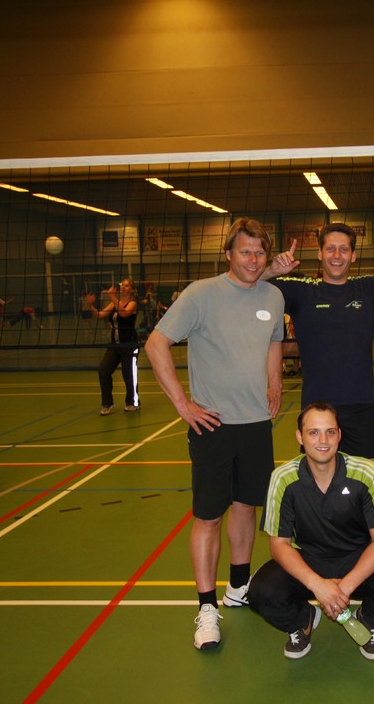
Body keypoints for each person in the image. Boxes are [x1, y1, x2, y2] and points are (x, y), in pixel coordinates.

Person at [144, 217, 285, 651]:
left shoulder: (273, 296)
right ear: (228, 254)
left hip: (256, 424)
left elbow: (274, 340)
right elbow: (155, 344)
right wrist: (183, 404)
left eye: (259, 253)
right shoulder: (200, 294)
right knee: (208, 517)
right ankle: (207, 608)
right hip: (213, 426)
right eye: (245, 252)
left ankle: (238, 587)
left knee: (245, 506)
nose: (253, 260)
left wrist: (275, 381)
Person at [249, 403, 374, 660]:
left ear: (339, 435)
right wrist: (318, 585)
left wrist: (344, 588)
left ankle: (368, 620)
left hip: (357, 557)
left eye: (330, 432)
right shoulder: (283, 478)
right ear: (300, 437)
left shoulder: (365, 472)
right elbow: (279, 545)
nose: (323, 440)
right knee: (260, 592)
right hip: (309, 559)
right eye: (313, 432)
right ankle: (303, 620)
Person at [261, 223, 374, 460]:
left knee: (367, 476)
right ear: (320, 253)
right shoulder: (302, 292)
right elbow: (250, 287)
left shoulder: (370, 289)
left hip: (361, 404)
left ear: (354, 255)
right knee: (318, 478)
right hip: (316, 408)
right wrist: (271, 271)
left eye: (344, 249)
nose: (337, 256)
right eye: (330, 249)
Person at [88, 279, 140, 415]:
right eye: (122, 285)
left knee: (128, 375)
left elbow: (124, 314)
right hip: (115, 345)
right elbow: (100, 315)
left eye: (127, 286)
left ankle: (133, 403)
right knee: (103, 370)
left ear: (132, 290)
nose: (123, 287)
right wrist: (90, 305)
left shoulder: (133, 303)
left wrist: (112, 296)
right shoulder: (114, 303)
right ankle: (107, 403)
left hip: (129, 345)